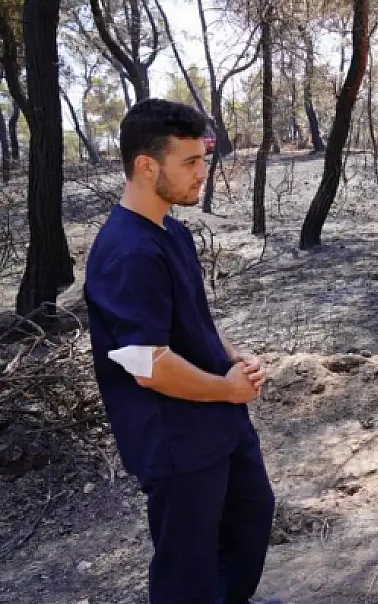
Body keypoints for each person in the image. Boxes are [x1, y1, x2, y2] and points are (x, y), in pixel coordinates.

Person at [83, 99, 279, 604]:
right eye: (190, 162)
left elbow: (193, 325)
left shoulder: (171, 229)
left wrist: (235, 358)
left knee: (250, 518)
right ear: (146, 167)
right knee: (187, 570)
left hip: (219, 419)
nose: (203, 172)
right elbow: (147, 363)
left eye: (202, 158)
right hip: (175, 439)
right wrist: (226, 388)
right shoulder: (127, 252)